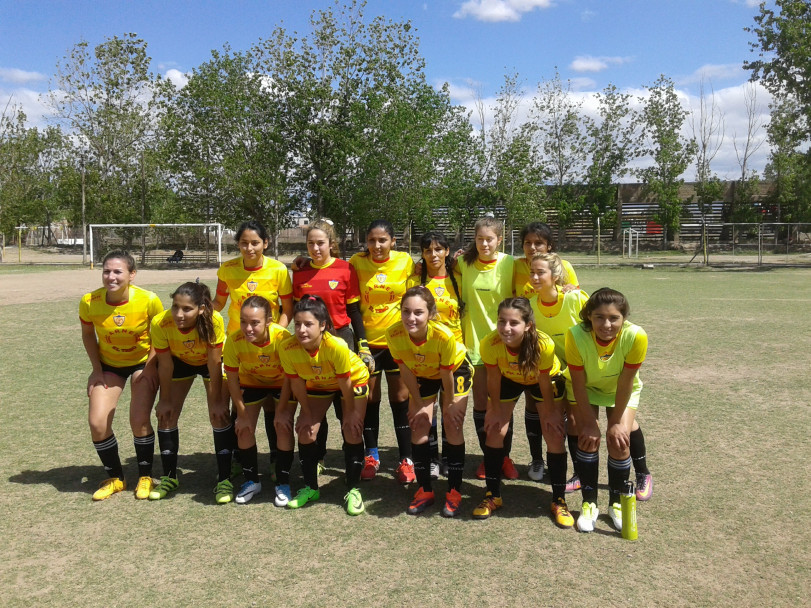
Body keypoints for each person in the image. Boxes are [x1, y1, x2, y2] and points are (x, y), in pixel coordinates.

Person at [473, 298, 571, 526]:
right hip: (509, 378)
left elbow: (545, 381)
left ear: (527, 325)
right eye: (501, 321)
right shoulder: (490, 343)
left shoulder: (543, 344)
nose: (506, 328)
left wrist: (553, 413)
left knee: (553, 433)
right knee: (495, 431)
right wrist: (494, 409)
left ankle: (559, 500)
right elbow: (494, 377)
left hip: (542, 381)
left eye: (514, 323)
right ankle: (492, 495)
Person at [289, 219, 373, 474]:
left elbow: (354, 310)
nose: (315, 248)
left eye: (320, 243)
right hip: (312, 344)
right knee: (317, 403)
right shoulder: (300, 272)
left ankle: (354, 458)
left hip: (342, 339)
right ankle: (319, 457)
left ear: (331, 244)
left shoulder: (345, 269)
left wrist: (363, 345)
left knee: (344, 404)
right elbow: (298, 312)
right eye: (311, 243)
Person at [564, 288, 650, 533]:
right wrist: (589, 422)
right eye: (599, 317)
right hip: (586, 387)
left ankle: (616, 504)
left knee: (619, 439)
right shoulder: (575, 335)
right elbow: (578, 382)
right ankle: (589, 503)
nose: (606, 324)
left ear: (624, 319)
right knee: (588, 438)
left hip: (620, 389)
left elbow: (626, 382)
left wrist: (615, 424)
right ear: (589, 316)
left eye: (614, 318)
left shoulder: (636, 336)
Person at [80, 250, 163, 501]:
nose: (111, 276)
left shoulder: (149, 300)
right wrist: (96, 370)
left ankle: (145, 476)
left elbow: (160, 337)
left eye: (118, 271)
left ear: (132, 275)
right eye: (107, 271)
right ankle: (116, 478)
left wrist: (149, 369)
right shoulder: (89, 301)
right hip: (109, 366)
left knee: (138, 420)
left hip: (142, 364)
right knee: (97, 423)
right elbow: (88, 336)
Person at [213, 220, 293, 480]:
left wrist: (275, 337)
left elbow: (288, 309)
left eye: (255, 243)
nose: (249, 248)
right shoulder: (227, 269)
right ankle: (239, 457)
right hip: (238, 346)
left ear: (265, 244)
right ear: (238, 244)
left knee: (272, 405)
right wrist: (198, 312)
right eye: (244, 243)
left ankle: (273, 458)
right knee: (238, 402)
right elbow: (218, 303)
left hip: (270, 344)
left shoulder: (278, 270)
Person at [279, 295, 370, 515]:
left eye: (308, 324)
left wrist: (349, 413)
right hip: (319, 384)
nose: (301, 330)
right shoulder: (287, 347)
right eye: (298, 324)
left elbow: (345, 382)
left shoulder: (336, 345)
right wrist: (307, 414)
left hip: (352, 381)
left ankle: (353, 489)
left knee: (352, 429)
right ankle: (310, 488)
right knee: (306, 432)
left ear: (322, 326)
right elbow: (297, 383)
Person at [386, 286, 471, 517]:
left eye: (418, 312)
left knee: (452, 424)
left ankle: (454, 491)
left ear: (430, 314)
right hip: (421, 373)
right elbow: (405, 370)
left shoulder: (443, 336)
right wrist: (420, 402)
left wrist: (450, 404)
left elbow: (447, 375)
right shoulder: (393, 334)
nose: (411, 318)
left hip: (454, 371)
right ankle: (424, 490)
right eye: (406, 311)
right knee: (419, 425)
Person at [149, 281, 231, 502]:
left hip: (208, 364)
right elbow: (165, 366)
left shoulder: (214, 320)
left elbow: (214, 364)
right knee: (166, 416)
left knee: (219, 416)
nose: (179, 314)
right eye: (176, 306)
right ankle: (169, 477)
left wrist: (216, 401)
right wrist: (165, 400)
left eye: (187, 309)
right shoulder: (160, 322)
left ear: (201, 309)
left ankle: (225, 479)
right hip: (180, 363)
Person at [349, 219, 415, 483]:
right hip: (369, 344)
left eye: (382, 240)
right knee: (370, 400)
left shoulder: (406, 261)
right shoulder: (356, 261)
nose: (377, 246)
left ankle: (407, 459)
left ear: (393, 241)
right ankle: (372, 455)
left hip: (399, 342)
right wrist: (303, 261)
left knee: (400, 400)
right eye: (372, 240)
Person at [457, 217, 517, 481]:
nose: (484, 244)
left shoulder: (509, 264)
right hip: (475, 346)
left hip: (504, 346)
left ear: (499, 240)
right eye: (479, 239)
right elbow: (433, 266)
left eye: (489, 239)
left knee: (503, 406)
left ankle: (504, 457)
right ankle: (487, 456)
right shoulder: (462, 262)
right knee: (482, 404)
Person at [528, 253, 590, 496]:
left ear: (555, 276)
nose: (534, 277)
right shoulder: (531, 306)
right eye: (532, 272)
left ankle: (579, 474)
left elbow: (596, 329)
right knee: (552, 421)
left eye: (540, 272)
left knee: (575, 421)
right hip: (552, 373)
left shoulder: (575, 299)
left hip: (579, 371)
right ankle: (549, 465)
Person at [223, 296, 294, 505]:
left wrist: (282, 410)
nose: (248, 328)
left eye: (255, 323)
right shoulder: (234, 341)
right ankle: (251, 481)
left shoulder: (283, 338)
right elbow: (233, 381)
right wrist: (242, 414)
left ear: (269, 321)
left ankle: (283, 482)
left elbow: (291, 376)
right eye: (244, 321)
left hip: (282, 383)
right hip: (252, 382)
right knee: (243, 428)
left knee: (282, 426)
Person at [409, 231, 465, 478]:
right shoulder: (415, 282)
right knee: (426, 412)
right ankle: (431, 458)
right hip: (426, 358)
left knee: (450, 410)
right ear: (422, 254)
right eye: (428, 250)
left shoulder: (460, 278)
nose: (433, 254)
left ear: (447, 251)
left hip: (455, 356)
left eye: (438, 249)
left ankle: (448, 460)